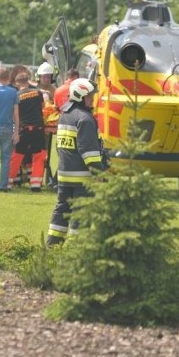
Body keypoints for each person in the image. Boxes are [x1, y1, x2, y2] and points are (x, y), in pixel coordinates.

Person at [46, 78, 105, 246]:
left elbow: (60, 146)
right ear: (79, 96)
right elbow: (89, 153)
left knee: (62, 211)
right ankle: (76, 249)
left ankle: (52, 245)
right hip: (82, 178)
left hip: (64, 175)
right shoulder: (85, 119)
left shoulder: (65, 116)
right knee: (81, 213)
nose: (92, 99)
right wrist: (99, 173)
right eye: (89, 96)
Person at [8, 72, 47, 192]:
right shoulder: (38, 93)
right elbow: (43, 106)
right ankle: (35, 184)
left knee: (17, 156)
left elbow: (14, 113)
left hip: (23, 129)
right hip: (38, 129)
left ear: (17, 83)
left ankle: (8, 182)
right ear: (28, 81)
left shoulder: (17, 95)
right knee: (39, 156)